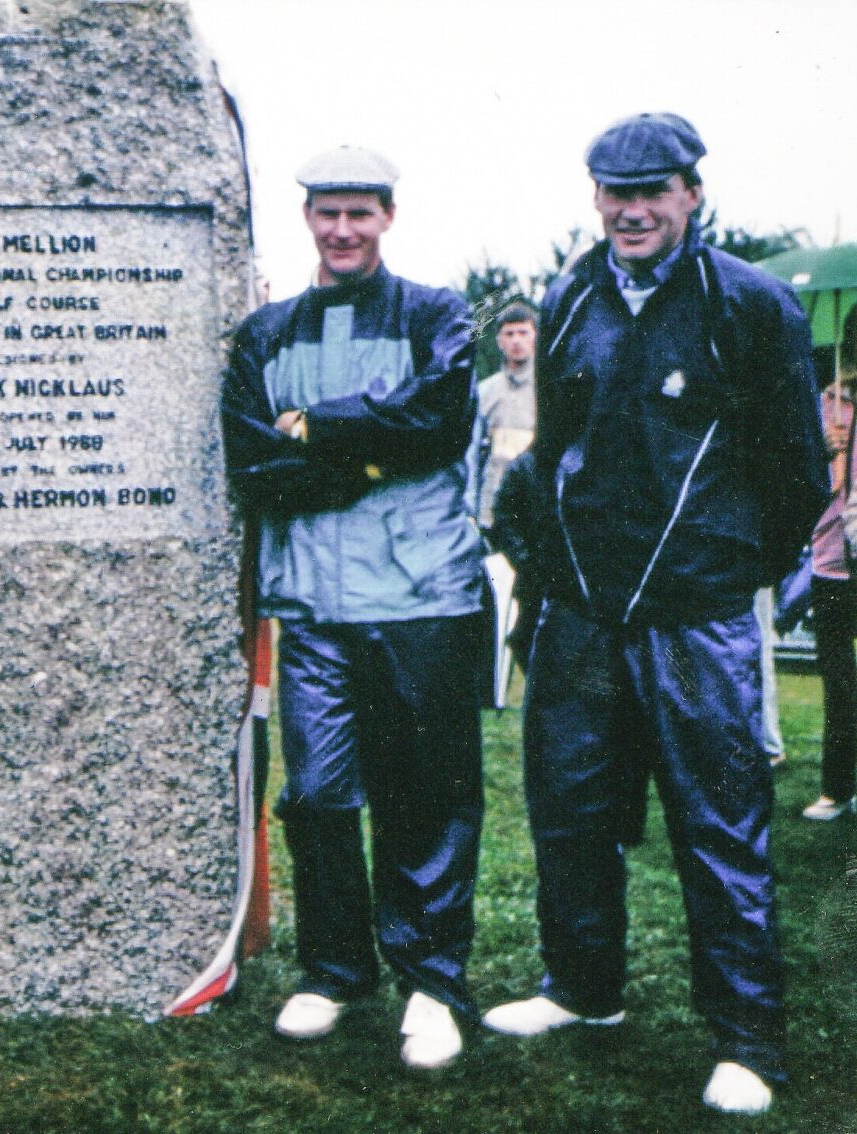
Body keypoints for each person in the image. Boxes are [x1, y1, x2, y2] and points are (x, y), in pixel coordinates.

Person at [481, 113, 826, 1116]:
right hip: (583, 617)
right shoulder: (570, 294)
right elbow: (550, 460)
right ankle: (582, 992)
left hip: (695, 619)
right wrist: (551, 576)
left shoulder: (750, 305)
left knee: (717, 826)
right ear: (593, 197)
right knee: (569, 811)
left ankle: (748, 1044)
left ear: (690, 196)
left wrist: (723, 576)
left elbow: (796, 477)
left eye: (652, 191)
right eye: (612, 191)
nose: (630, 209)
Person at [220, 145, 485, 1071]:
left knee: (425, 798)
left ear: (387, 217)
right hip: (315, 609)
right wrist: (370, 449)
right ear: (308, 220)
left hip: (420, 600)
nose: (342, 230)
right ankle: (335, 971)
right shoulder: (266, 333)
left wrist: (318, 432)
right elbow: (255, 462)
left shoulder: (438, 314)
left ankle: (432, 980)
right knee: (321, 796)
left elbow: (437, 424)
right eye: (327, 213)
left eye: (359, 213)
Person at [468, 302, 537, 708]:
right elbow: (475, 456)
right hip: (492, 515)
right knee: (490, 604)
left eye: (523, 332)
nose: (516, 341)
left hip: (532, 518)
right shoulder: (486, 392)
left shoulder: (548, 389)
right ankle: (490, 688)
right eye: (508, 334)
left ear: (535, 337)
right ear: (498, 341)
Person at [803, 306, 857, 820]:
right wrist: (824, 448)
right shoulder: (826, 404)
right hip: (832, 557)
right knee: (839, 677)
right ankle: (838, 787)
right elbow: (801, 474)